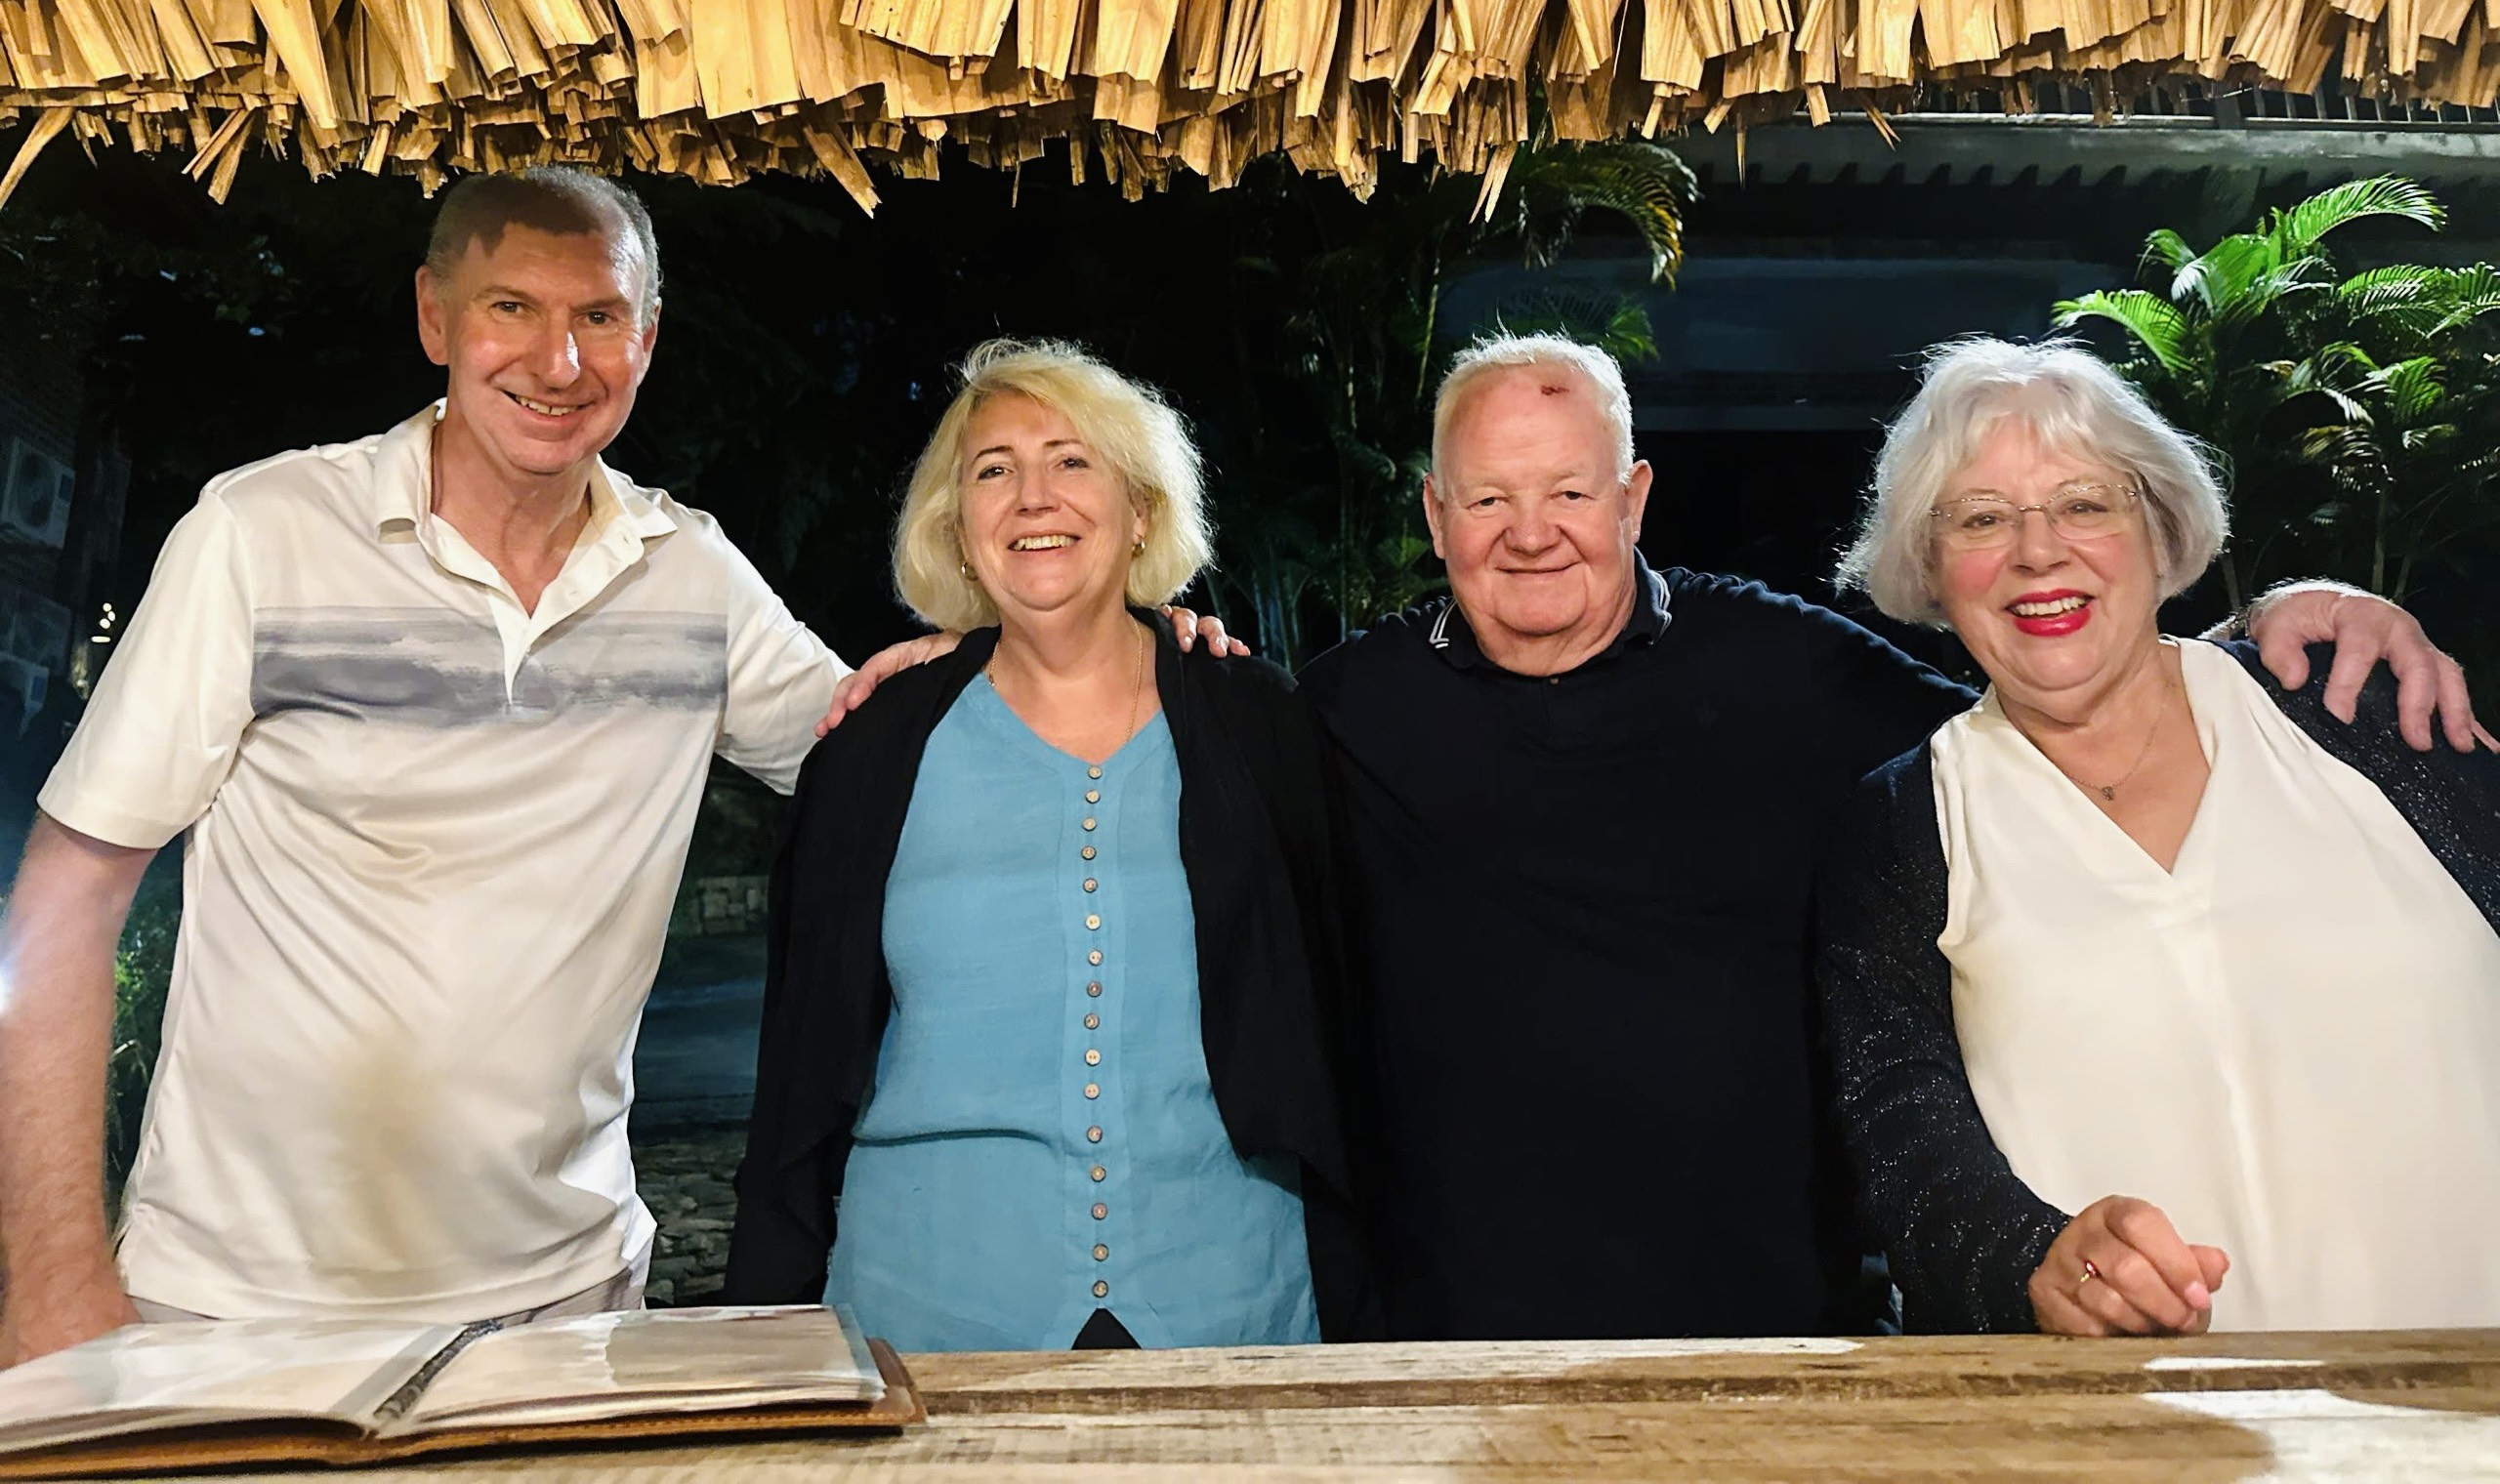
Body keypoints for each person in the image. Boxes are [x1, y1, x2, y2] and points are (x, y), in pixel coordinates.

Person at [0, 169, 1096, 1363]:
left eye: (599, 317)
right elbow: (68, 891)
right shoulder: (261, 535)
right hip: (233, 1301)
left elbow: (897, 758)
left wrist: (1130, 648)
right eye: (511, 308)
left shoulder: (689, 579)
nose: (559, 362)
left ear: (647, 337)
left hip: (566, 1304)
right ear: (435, 318)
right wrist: (53, 1277)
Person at [1290, 331, 2480, 1340]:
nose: (1530, 532)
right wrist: (1187, 640)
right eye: (1488, 499)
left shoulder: (1783, 665)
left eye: (1567, 491)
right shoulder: (1346, 708)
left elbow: (2053, 682)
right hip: (1454, 1330)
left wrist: (2268, 634)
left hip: (1768, 1331)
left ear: (1632, 499)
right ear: (1436, 514)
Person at [1817, 337, 2500, 1336]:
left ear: (2158, 527)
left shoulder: (2358, 712)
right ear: (1929, 564)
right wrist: (2031, 1259)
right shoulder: (1899, 826)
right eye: (1981, 518)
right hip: (2145, 1413)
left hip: (2468, 1394)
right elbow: (1899, 1130)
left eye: (2083, 504)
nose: (2038, 551)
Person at [723, 340, 1373, 1348]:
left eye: (1072, 460)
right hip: (927, 1319)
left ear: (1141, 510)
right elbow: (799, 1060)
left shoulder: (1259, 725)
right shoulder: (874, 750)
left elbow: (1343, 1015)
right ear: (958, 529)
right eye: (994, 471)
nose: (1034, 497)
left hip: (1234, 1306)